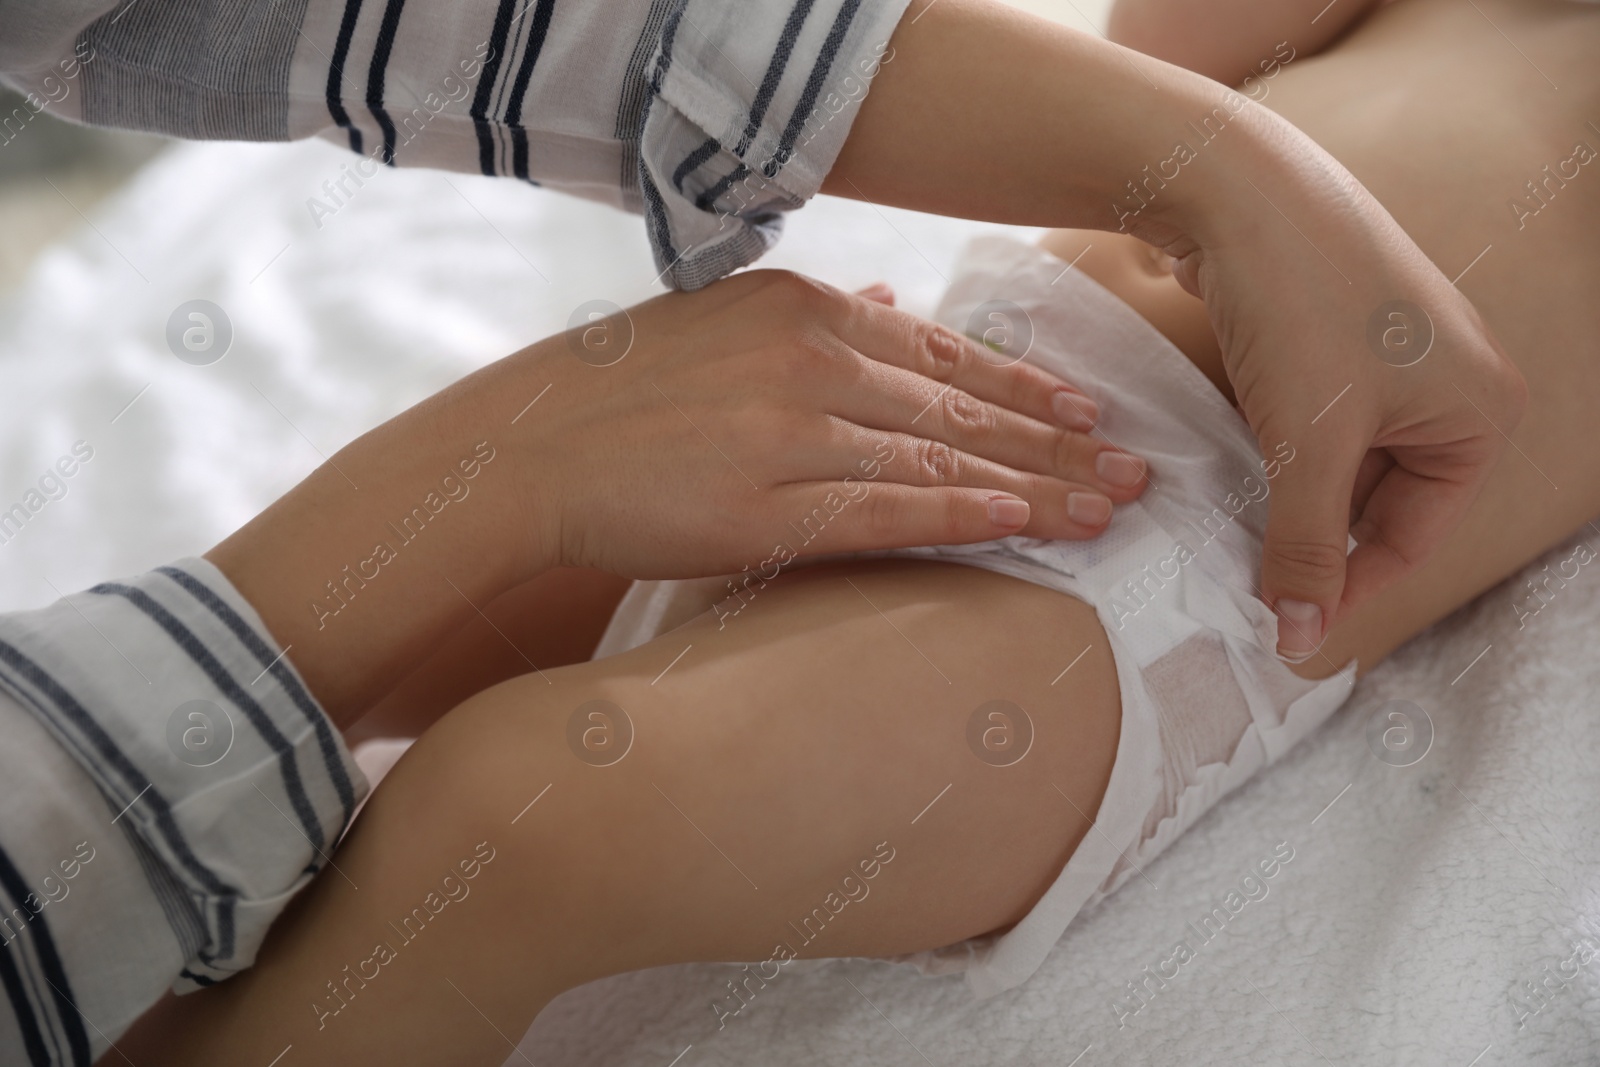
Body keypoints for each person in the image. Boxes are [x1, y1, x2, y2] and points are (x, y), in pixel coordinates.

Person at [0, 0, 1532, 1062]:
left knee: (519, 812)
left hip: (1161, 579)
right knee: (399, 656)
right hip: (939, 399)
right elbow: (1174, 47)